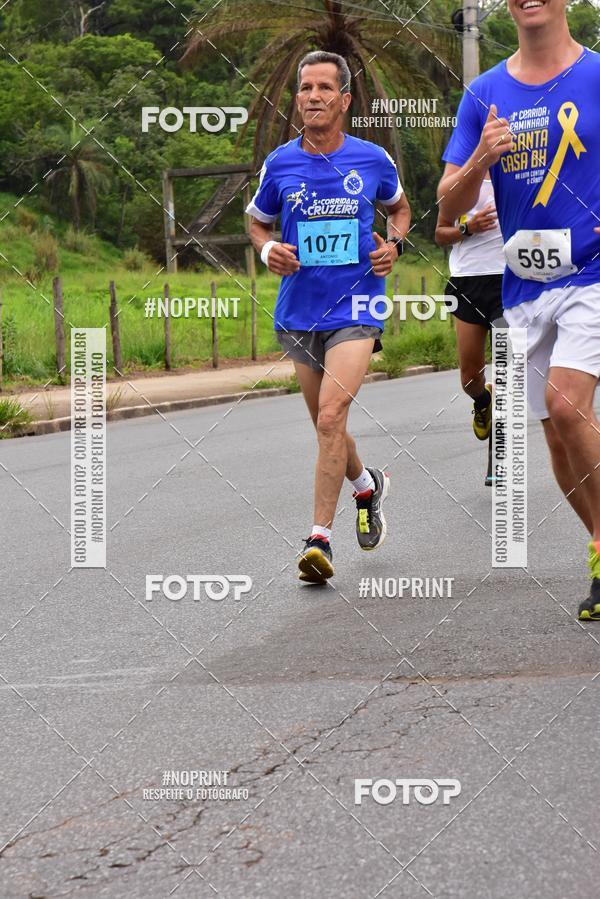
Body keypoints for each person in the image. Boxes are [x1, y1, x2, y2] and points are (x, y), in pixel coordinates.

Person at [437, 0, 600, 619]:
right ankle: (599, 542)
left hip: (591, 274)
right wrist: (480, 157)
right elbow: (445, 211)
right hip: (524, 284)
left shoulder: (596, 76)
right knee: (556, 434)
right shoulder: (483, 93)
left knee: (566, 403)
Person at [246, 50, 411, 584]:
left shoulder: (372, 160)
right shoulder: (280, 163)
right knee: (327, 425)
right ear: (297, 99)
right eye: (305, 88)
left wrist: (396, 244)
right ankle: (366, 486)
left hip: (358, 306)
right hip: (299, 310)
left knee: (331, 417)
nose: (313, 96)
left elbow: (401, 210)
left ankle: (319, 539)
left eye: (324, 88)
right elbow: (257, 224)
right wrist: (269, 250)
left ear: (344, 100)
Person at [435, 175, 505, 446]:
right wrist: (468, 229)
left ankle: (502, 453)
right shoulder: (459, 179)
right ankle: (483, 401)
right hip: (468, 281)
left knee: (507, 369)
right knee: (469, 379)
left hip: (508, 279)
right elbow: (440, 234)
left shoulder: (519, 171)